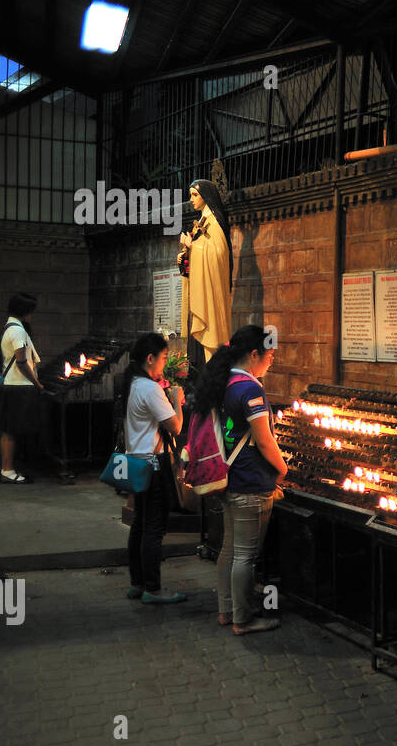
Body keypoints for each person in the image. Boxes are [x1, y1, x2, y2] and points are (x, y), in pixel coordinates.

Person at [191, 325, 285, 635]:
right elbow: (264, 441)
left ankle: (227, 611)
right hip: (250, 479)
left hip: (228, 477)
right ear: (254, 354)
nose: (271, 361)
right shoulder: (250, 389)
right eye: (269, 355)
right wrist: (282, 469)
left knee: (230, 549)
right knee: (246, 554)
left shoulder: (224, 381)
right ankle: (243, 620)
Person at [121, 331, 187, 604]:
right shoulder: (149, 388)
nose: (164, 363)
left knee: (139, 522)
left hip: (135, 459)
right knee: (154, 528)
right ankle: (153, 588)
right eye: (163, 357)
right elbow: (176, 426)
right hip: (153, 461)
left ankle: (137, 583)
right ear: (150, 359)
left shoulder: (132, 383)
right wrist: (176, 398)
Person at [178, 179, 233, 383]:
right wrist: (184, 256)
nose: (191, 199)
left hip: (211, 297)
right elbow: (198, 257)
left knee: (211, 346)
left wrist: (193, 247)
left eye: (195, 195)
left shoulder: (215, 221)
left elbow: (218, 253)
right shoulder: (202, 222)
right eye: (190, 195)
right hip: (199, 295)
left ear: (206, 196)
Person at [0, 292, 46, 484]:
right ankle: (7, 471)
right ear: (24, 311)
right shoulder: (17, 331)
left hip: (11, 386)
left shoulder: (8, 327)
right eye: (31, 311)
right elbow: (22, 362)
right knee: (11, 431)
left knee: (9, 430)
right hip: (18, 387)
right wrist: (37, 383)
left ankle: (7, 469)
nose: (32, 315)